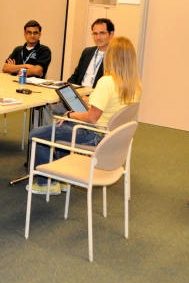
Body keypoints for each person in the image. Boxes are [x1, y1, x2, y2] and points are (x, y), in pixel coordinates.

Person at [27, 37, 141, 196]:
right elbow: (111, 105)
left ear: (112, 56)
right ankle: (63, 178)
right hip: (111, 136)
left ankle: (47, 183)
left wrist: (71, 115)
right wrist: (90, 101)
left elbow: (92, 118)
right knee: (62, 129)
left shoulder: (107, 82)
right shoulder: (134, 85)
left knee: (37, 135)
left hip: (94, 134)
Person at [49, 18, 115, 119]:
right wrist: (70, 92)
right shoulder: (88, 52)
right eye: (95, 34)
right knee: (49, 104)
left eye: (102, 33)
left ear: (111, 34)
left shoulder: (115, 57)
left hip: (94, 101)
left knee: (55, 108)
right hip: (78, 95)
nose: (98, 37)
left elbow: (110, 88)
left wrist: (89, 98)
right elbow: (75, 76)